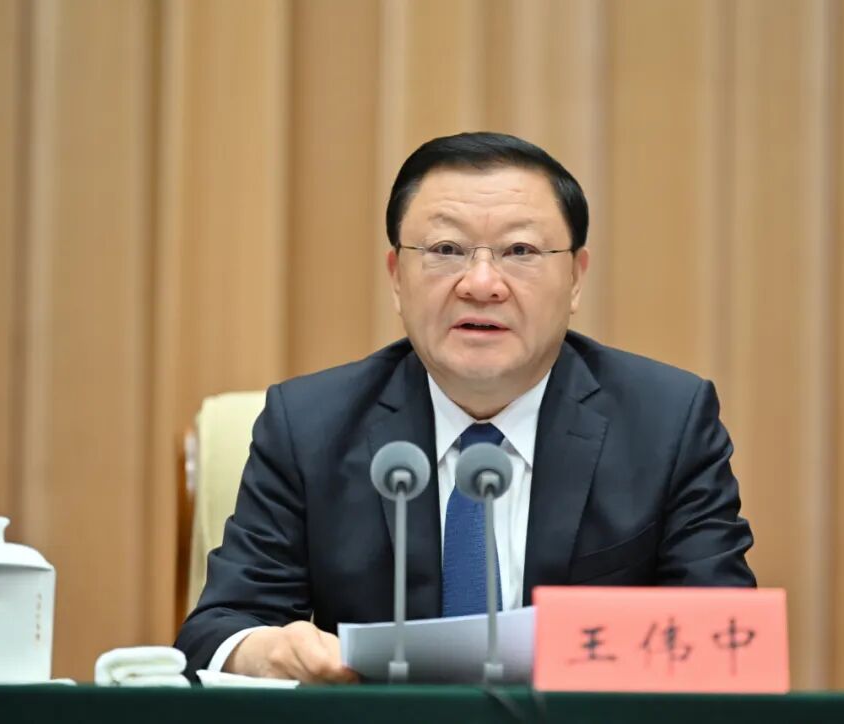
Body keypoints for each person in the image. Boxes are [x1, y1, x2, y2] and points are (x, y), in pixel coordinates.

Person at [175, 131, 755, 683]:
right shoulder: (307, 426)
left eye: (520, 251)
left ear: (576, 278)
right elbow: (217, 631)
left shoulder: (667, 423)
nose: (481, 284)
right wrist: (268, 651)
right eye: (446, 250)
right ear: (396, 277)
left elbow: (725, 639)